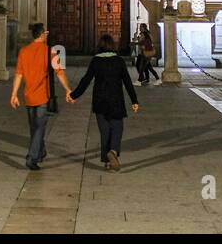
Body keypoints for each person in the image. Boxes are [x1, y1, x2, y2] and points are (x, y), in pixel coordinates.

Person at [67, 34, 139, 170]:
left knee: (104, 131)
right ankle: (113, 151)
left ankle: (107, 161)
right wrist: (134, 100)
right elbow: (127, 82)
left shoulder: (96, 61)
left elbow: (86, 80)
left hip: (99, 100)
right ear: (113, 46)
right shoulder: (119, 61)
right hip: (116, 100)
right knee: (117, 128)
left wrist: (74, 95)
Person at [9, 23, 72, 170]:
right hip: (43, 96)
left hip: (28, 96)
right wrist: (68, 89)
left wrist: (14, 94)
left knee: (34, 127)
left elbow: (18, 74)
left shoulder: (23, 51)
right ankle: (32, 157)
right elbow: (60, 73)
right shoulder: (50, 51)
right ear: (43, 35)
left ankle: (41, 151)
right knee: (39, 127)